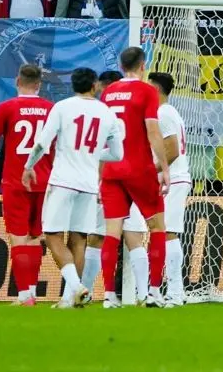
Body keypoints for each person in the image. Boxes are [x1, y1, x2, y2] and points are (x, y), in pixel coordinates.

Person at [24, 67, 122, 309]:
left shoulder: (62, 107)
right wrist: (92, 153)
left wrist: (29, 166)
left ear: (73, 86)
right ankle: (69, 300)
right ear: (94, 86)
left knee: (52, 236)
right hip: (89, 185)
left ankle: (76, 288)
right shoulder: (107, 113)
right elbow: (118, 154)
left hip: (62, 181)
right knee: (79, 239)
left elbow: (42, 143)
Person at [0, 65, 54, 305]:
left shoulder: (7, 107)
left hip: (16, 182)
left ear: (17, 81)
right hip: (44, 181)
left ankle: (24, 294)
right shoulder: (50, 109)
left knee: (18, 237)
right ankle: (32, 291)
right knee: (35, 236)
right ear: (39, 84)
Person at [97, 47, 171, 308]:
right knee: (157, 227)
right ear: (143, 65)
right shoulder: (147, 91)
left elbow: (103, 137)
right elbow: (153, 131)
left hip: (111, 170)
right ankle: (154, 292)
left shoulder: (108, 92)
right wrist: (164, 168)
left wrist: (99, 175)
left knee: (112, 233)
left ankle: (109, 296)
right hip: (139, 169)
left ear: (121, 65)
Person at [121, 72, 189, 307]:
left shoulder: (164, 113)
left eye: (149, 87)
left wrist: (150, 171)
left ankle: (176, 292)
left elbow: (173, 150)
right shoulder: (164, 112)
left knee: (168, 232)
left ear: (156, 90)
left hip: (173, 179)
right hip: (160, 180)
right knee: (141, 230)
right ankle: (147, 292)